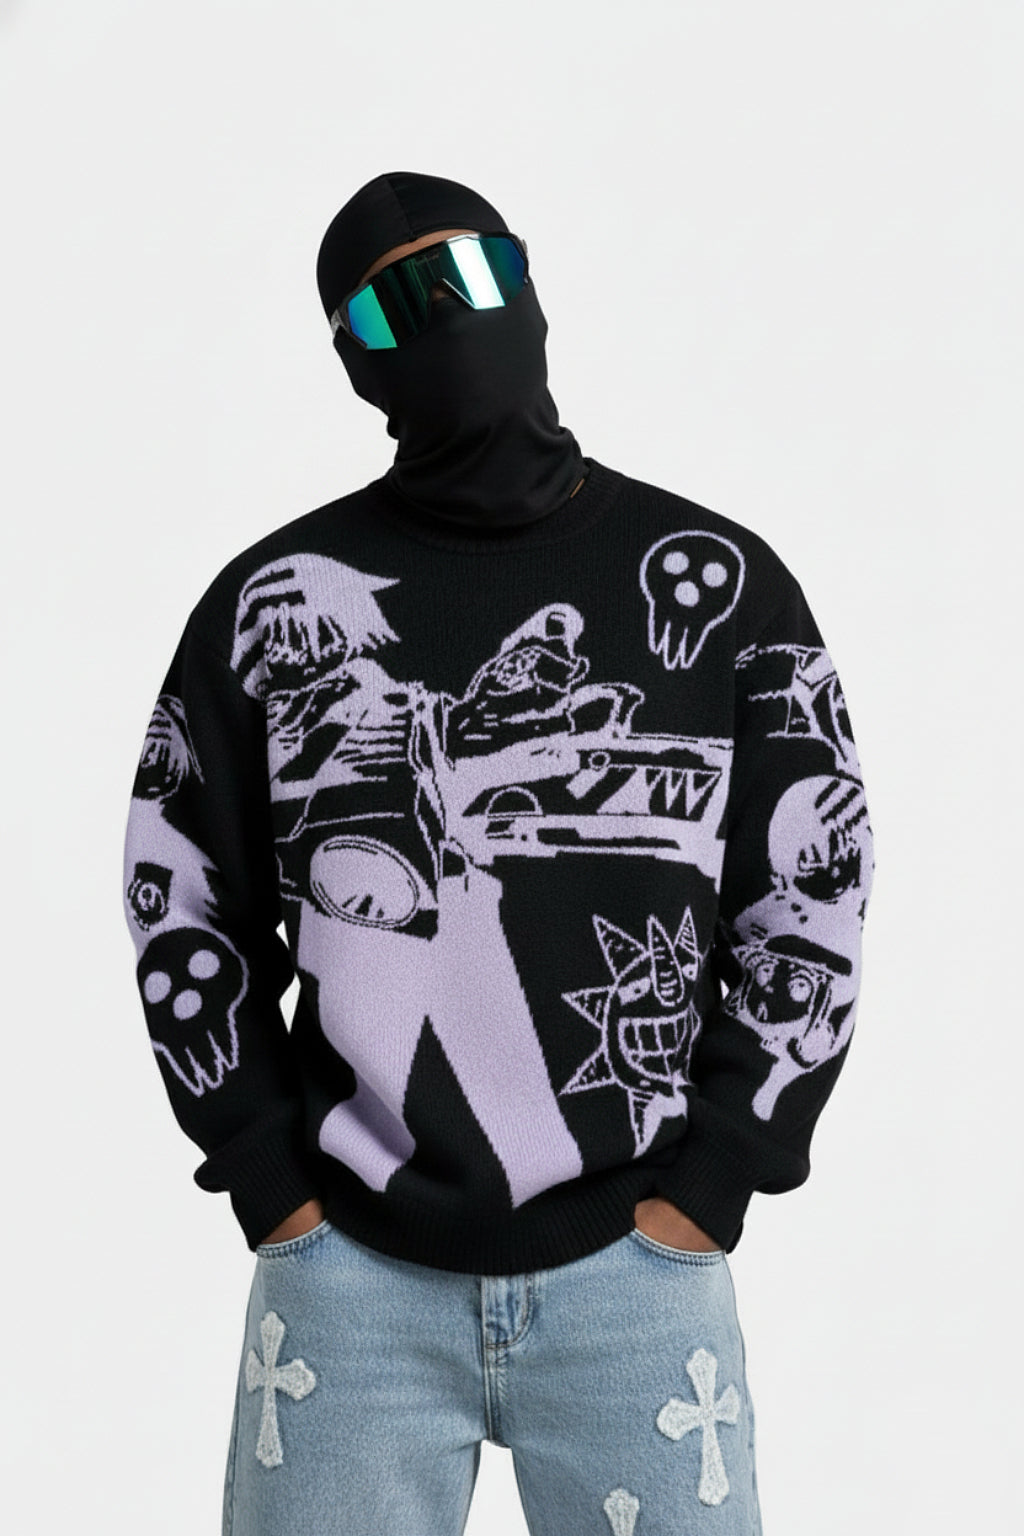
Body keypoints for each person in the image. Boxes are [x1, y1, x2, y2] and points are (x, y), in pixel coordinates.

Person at [122, 170, 873, 1536]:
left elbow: (812, 889)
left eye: (471, 277)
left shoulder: (727, 577)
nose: (447, 322)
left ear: (530, 283)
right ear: (350, 358)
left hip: (640, 1273)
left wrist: (722, 1173)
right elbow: (178, 891)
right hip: (348, 1283)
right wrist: (268, 1179)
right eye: (394, 306)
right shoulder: (266, 606)